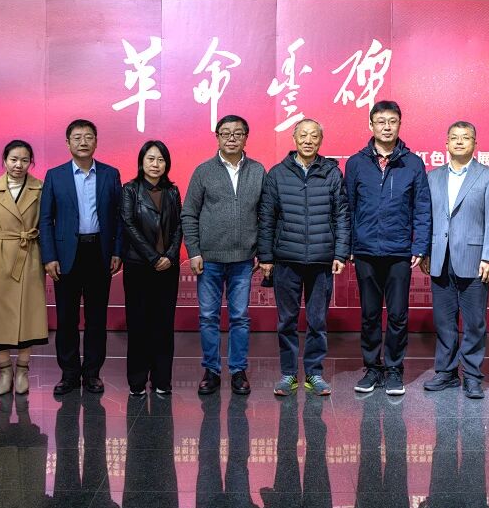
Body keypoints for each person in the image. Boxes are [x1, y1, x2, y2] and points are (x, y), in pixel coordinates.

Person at [345, 100, 432, 396]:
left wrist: (419, 246)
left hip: (399, 251)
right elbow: (348, 207)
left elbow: (422, 208)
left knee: (397, 314)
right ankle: (372, 367)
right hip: (365, 250)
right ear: (370, 125)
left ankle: (394, 368)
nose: (386, 127)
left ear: (399, 125)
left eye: (392, 121)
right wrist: (349, 245)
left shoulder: (413, 163)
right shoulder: (356, 163)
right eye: (380, 121)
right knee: (370, 314)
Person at [258, 119, 349, 397]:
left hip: (321, 259)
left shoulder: (331, 173)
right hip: (286, 259)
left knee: (317, 321)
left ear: (320, 141)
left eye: (314, 136)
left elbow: (342, 215)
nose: (308, 141)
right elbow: (266, 217)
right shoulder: (277, 174)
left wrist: (340, 253)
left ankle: (314, 373)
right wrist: (266, 256)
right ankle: (288, 374)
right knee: (286, 321)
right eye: (303, 136)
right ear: (294, 139)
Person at [181, 114, 265, 395]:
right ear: (217, 137)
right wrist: (194, 251)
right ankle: (211, 370)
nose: (232, 138)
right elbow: (189, 214)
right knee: (208, 317)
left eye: (238, 133)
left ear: (246, 138)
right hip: (209, 259)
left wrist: (262, 251)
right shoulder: (203, 171)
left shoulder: (258, 170)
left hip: (244, 260)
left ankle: (238, 370)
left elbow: (266, 215)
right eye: (226, 133)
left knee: (240, 317)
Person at [420, 121, 489, 399]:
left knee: (475, 322)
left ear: (475, 144)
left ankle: (472, 375)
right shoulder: (432, 177)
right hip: (440, 258)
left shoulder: (488, 177)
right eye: (454, 137)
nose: (459, 142)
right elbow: (426, 218)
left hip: (474, 259)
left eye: (465, 138)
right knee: (444, 321)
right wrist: (426, 251)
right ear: (446, 143)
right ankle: (445, 372)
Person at [40, 119, 123, 395]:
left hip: (99, 252)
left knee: (96, 319)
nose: (83, 142)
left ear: (96, 142)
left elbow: (119, 217)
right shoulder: (55, 176)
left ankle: (92, 374)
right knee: (66, 319)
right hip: (66, 256)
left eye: (88, 137)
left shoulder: (110, 174)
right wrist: (49, 256)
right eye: (77, 137)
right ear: (68, 143)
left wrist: (116, 250)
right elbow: (45, 219)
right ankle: (69, 374)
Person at [0, 140, 49, 396]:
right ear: (4, 161)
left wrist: (49, 259)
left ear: (31, 163)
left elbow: (47, 224)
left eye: (25, 160)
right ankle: (5, 370)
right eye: (14, 159)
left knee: (29, 315)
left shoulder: (40, 188)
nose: (19, 165)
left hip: (30, 255)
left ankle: (23, 370)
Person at [120, 140, 183, 396]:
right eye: (151, 159)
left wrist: (170, 256)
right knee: (138, 324)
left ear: (166, 164)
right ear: (142, 162)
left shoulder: (172, 191)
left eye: (161, 159)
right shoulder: (130, 189)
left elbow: (179, 226)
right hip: (138, 266)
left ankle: (162, 380)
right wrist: (153, 257)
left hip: (168, 267)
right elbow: (128, 224)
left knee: (163, 325)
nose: (156, 164)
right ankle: (137, 381)